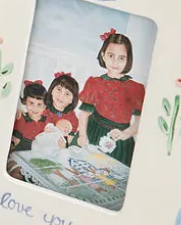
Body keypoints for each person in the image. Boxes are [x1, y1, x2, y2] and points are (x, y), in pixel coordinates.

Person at [77, 30, 145, 166]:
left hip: (120, 139)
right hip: (93, 132)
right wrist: (82, 135)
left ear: (128, 59)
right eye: (111, 55)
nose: (115, 62)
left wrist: (126, 134)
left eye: (121, 58)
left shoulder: (136, 88)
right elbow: (84, 114)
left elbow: (139, 121)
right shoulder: (94, 83)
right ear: (103, 55)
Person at [44, 72, 80, 143]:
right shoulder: (44, 110)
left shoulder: (71, 115)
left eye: (67, 94)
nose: (61, 95)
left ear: (71, 100)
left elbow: (74, 130)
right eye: (59, 89)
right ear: (52, 90)